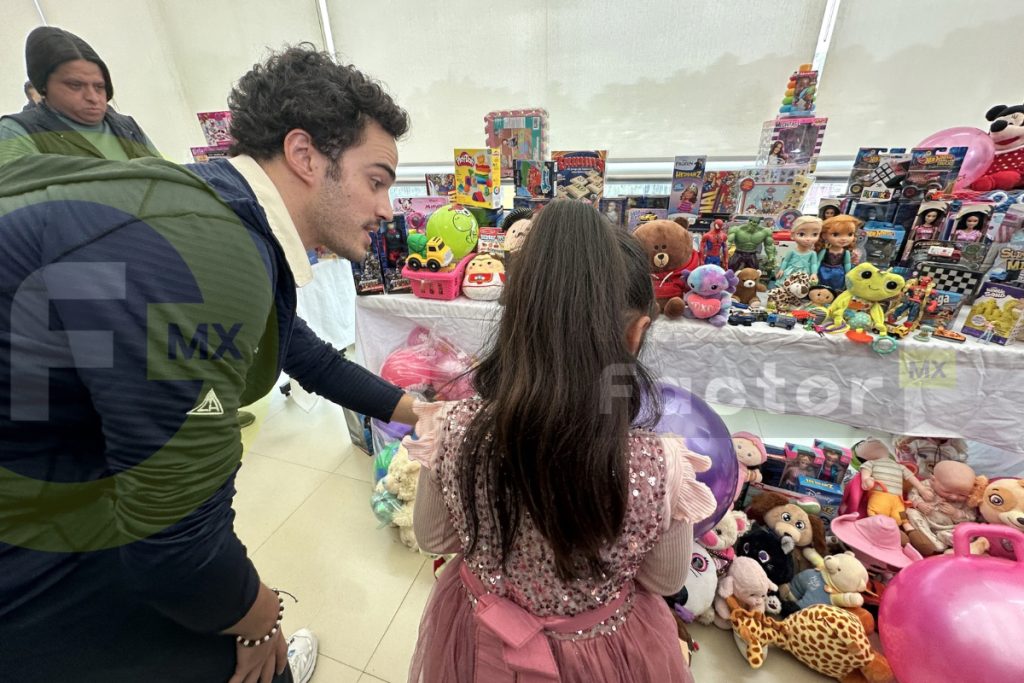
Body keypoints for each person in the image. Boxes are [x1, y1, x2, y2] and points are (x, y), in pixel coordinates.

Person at [0, 45, 417, 682]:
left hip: (59, 456)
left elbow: (291, 344)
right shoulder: (207, 250)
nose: (387, 208)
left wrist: (409, 407)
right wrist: (255, 617)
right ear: (304, 156)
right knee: (247, 654)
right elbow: (174, 536)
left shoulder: (209, 203)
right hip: (32, 513)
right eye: (377, 179)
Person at [402, 200, 717, 682]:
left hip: (484, 642)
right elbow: (664, 579)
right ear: (636, 333)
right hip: (605, 655)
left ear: (515, 320)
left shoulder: (452, 428)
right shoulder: (661, 464)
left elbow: (434, 538)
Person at [0, 26, 160, 164]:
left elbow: (170, 181)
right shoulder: (19, 132)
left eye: (99, 87)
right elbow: (20, 197)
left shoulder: (127, 127)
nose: (92, 97)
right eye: (75, 85)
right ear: (44, 86)